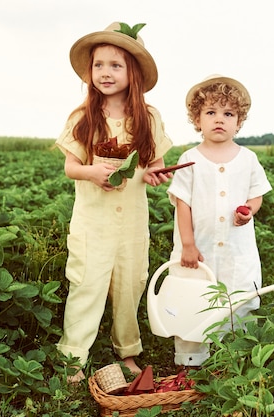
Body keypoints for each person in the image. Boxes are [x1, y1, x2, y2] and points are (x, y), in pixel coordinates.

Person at [55, 21, 173, 383]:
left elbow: (155, 165)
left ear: (133, 72)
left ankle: (129, 352)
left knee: (129, 287)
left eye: (115, 65)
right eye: (99, 65)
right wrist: (92, 172)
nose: (105, 72)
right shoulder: (83, 116)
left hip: (132, 224)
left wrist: (156, 174)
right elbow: (70, 167)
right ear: (89, 73)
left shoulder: (148, 117)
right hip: (93, 223)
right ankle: (73, 356)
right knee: (87, 284)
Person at [166, 75, 272, 367]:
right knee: (194, 299)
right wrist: (187, 243)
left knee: (237, 298)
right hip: (198, 250)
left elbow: (256, 195)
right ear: (197, 120)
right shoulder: (190, 158)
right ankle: (192, 361)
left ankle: (234, 360)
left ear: (239, 122)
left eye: (228, 114)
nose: (219, 120)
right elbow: (182, 204)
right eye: (210, 113)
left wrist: (248, 211)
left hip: (237, 250)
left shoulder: (248, 158)